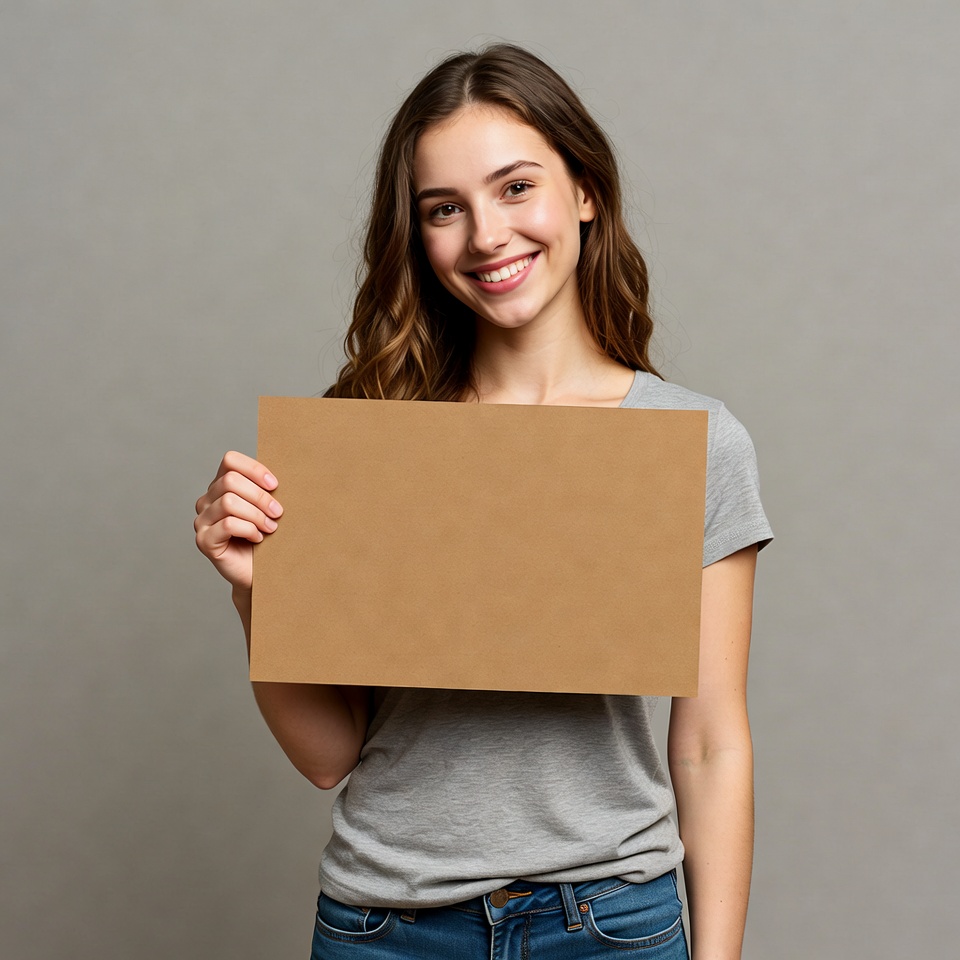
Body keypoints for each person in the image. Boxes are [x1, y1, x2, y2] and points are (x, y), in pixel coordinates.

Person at [194, 43, 772, 960]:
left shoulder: (696, 441)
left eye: (514, 188)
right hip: (386, 923)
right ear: (418, 236)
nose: (486, 236)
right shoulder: (368, 437)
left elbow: (709, 746)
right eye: (444, 210)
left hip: (611, 925)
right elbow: (326, 756)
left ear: (585, 190)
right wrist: (252, 589)